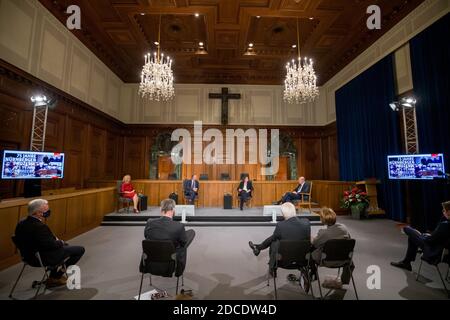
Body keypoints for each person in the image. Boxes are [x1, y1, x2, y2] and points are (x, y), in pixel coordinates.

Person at [14, 199, 85, 287]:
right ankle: (56, 276)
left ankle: (52, 276)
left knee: (61, 248)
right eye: (46, 211)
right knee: (80, 250)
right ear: (37, 213)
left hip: (28, 257)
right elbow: (50, 245)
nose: (48, 212)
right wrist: (61, 242)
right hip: (42, 258)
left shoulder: (21, 222)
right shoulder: (39, 227)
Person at [248, 202, 310, 277]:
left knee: (274, 242)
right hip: (303, 260)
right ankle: (258, 248)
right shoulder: (306, 223)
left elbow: (273, 238)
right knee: (275, 238)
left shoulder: (281, 225)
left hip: (283, 261)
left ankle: (271, 265)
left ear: (283, 214)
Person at [391, 201, 450, 271]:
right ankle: (406, 262)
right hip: (442, 250)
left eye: (444, 210)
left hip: (433, 250)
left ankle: (406, 262)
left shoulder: (445, 225)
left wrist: (423, 236)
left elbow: (429, 241)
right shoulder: (446, 224)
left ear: (449, 212)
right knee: (412, 237)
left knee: (407, 229)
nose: (443, 212)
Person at [144, 199, 196, 275]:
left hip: (150, 261)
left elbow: (146, 236)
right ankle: (179, 269)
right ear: (173, 210)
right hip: (170, 263)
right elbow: (183, 243)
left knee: (186, 234)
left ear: (161, 209)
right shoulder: (178, 226)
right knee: (189, 235)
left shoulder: (150, 222)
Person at [310, 207, 353, 286]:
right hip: (345, 259)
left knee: (310, 252)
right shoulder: (344, 228)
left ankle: (313, 274)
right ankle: (344, 280)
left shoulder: (323, 233)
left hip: (327, 260)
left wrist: (312, 239)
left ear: (323, 219)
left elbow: (315, 244)